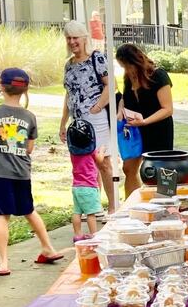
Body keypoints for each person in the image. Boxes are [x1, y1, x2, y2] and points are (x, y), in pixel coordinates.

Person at [0, 68, 62, 276]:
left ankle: (2, 263)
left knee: (2, 215)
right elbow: (29, 149)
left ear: (1, 86)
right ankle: (48, 248)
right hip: (23, 173)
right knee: (29, 210)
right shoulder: (29, 116)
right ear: (25, 89)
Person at [60, 20, 114, 213]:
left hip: (96, 119)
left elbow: (111, 84)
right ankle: (94, 207)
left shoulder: (96, 58)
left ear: (84, 38)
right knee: (86, 164)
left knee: (103, 162)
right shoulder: (69, 65)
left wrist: (98, 106)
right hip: (78, 122)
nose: (72, 41)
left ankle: (113, 207)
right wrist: (63, 123)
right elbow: (69, 94)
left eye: (75, 37)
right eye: (69, 38)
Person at [115, 43, 174, 197]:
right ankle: (131, 204)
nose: (126, 71)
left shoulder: (158, 75)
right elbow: (124, 97)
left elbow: (167, 109)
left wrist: (145, 121)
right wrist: (121, 107)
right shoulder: (129, 78)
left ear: (135, 62)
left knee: (159, 169)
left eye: (127, 66)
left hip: (158, 129)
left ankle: (166, 202)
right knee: (128, 168)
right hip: (135, 130)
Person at [66, 118, 105, 241]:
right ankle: (94, 234)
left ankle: (78, 234)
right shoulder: (91, 151)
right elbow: (99, 160)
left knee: (77, 212)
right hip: (89, 187)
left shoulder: (73, 152)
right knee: (91, 214)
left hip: (76, 187)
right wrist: (102, 150)